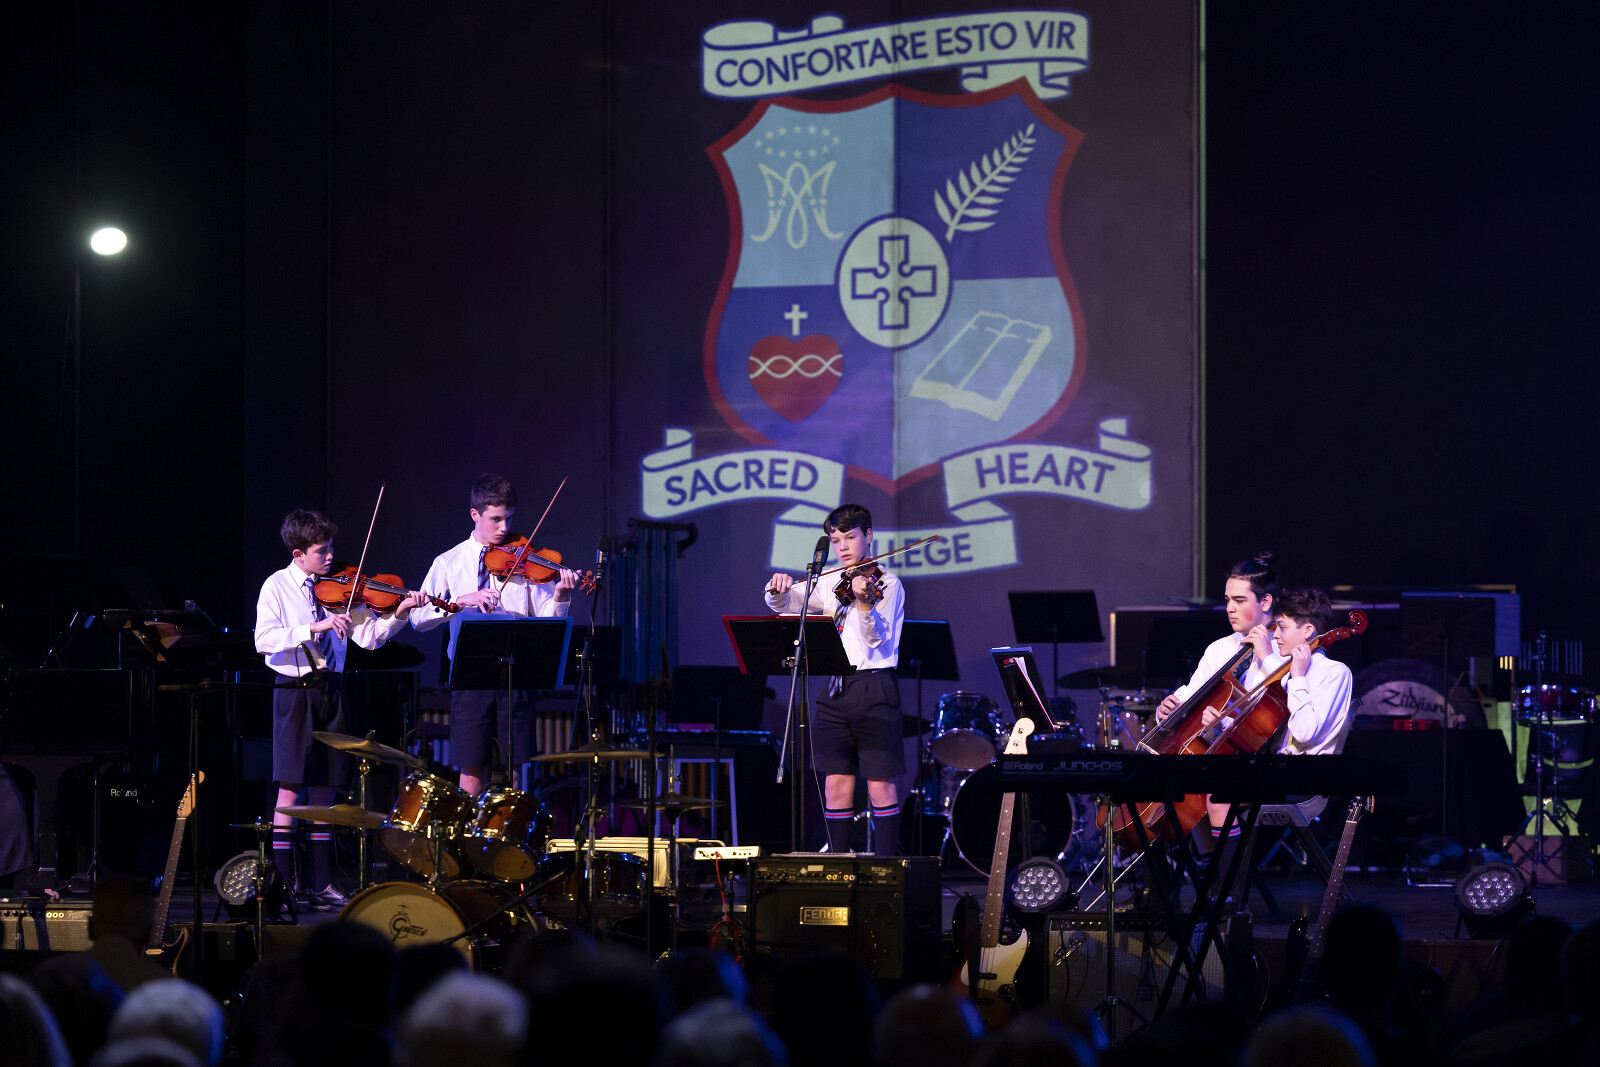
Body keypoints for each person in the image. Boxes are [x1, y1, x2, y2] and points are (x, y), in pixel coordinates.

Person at [255, 508, 425, 910]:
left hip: (333, 688)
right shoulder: (276, 585)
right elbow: (263, 639)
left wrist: (399, 616)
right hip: (295, 690)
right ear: (298, 554)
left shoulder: (340, 589)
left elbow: (369, 638)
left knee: (326, 788)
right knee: (291, 787)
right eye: (321, 551)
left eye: (331, 548)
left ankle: (321, 884)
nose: (330, 557)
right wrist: (313, 628)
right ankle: (285, 884)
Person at [409, 474, 580, 796]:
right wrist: (458, 602)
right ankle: (470, 829)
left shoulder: (524, 558)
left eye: (509, 519)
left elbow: (548, 621)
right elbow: (418, 619)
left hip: (517, 673)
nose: (504, 528)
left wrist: (560, 596)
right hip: (470, 676)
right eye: (496, 519)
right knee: (472, 770)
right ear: (475, 515)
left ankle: (513, 829)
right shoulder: (449, 562)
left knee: (517, 770)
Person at [764, 504, 905, 855]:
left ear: (868, 536)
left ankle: (887, 868)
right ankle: (839, 865)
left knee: (880, 786)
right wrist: (778, 588)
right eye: (836, 540)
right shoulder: (829, 580)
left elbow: (877, 640)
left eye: (850, 538)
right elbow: (787, 605)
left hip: (874, 686)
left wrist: (865, 604)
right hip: (835, 689)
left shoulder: (887, 583)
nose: (842, 547)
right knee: (835, 785)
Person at [1155, 553, 1286, 839]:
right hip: (1219, 757)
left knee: (1211, 792)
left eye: (1239, 600)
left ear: (1266, 602)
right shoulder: (1220, 648)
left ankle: (1223, 869)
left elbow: (1287, 703)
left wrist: (1266, 656)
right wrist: (1169, 708)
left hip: (1266, 760)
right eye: (1227, 600)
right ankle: (1198, 864)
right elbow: (1193, 693)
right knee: (1163, 787)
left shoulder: (1284, 647)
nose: (1229, 608)